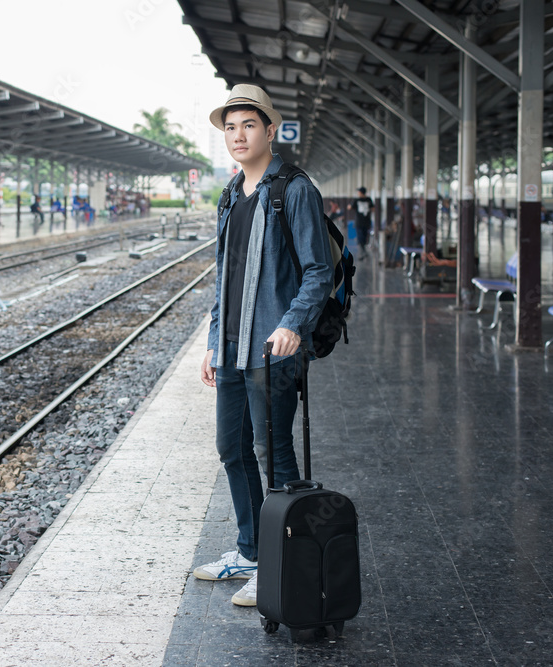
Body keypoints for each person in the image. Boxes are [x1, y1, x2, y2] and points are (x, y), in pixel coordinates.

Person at [196, 84, 334, 607]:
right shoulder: (230, 194)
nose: (237, 135)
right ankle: (251, 551)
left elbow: (318, 269)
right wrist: (213, 340)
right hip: (231, 347)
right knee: (232, 448)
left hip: (273, 349)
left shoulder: (294, 189)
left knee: (272, 454)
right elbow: (223, 277)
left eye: (248, 125)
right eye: (229, 128)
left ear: (270, 130)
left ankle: (283, 563)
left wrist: (293, 323)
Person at [348, 186, 375, 259]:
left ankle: (362, 252)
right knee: (363, 236)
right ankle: (363, 252)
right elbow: (373, 209)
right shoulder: (369, 199)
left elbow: (350, 207)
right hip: (366, 221)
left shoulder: (356, 200)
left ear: (361, 192)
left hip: (359, 221)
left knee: (361, 237)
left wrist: (350, 204)